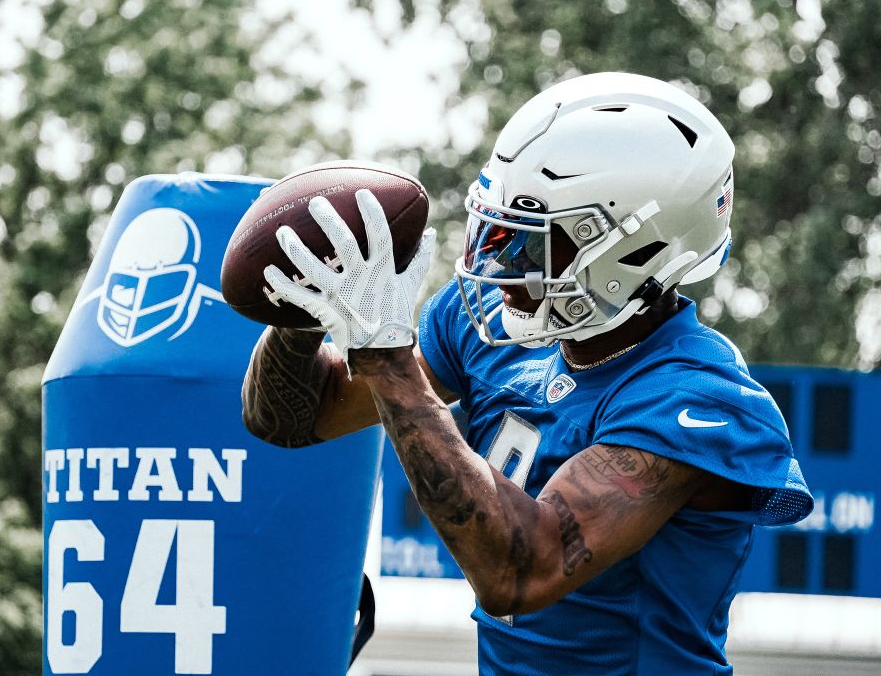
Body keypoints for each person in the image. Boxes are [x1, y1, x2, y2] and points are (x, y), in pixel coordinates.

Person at [242, 72, 814, 674]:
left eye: (528, 244)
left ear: (635, 250)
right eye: (497, 231)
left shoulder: (696, 397)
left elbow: (521, 572)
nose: (498, 264)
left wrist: (386, 360)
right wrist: (310, 307)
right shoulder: (489, 322)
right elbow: (289, 418)